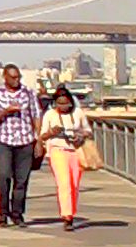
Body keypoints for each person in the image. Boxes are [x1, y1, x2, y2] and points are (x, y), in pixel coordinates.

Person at [0, 64, 39, 227]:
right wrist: (6, 112)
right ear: (5, 77)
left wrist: (39, 140)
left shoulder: (28, 93)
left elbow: (36, 115)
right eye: (13, 77)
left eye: (18, 77)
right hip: (4, 141)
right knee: (4, 176)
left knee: (22, 180)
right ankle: (3, 212)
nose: (16, 80)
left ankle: (17, 213)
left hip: (25, 140)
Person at [37, 86, 95, 230]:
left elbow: (88, 131)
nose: (63, 107)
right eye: (60, 104)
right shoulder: (50, 115)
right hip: (58, 150)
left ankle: (71, 212)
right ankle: (67, 216)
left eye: (66, 103)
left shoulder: (78, 113)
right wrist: (52, 132)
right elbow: (42, 135)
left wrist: (80, 135)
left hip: (76, 150)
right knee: (64, 183)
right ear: (55, 103)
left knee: (74, 184)